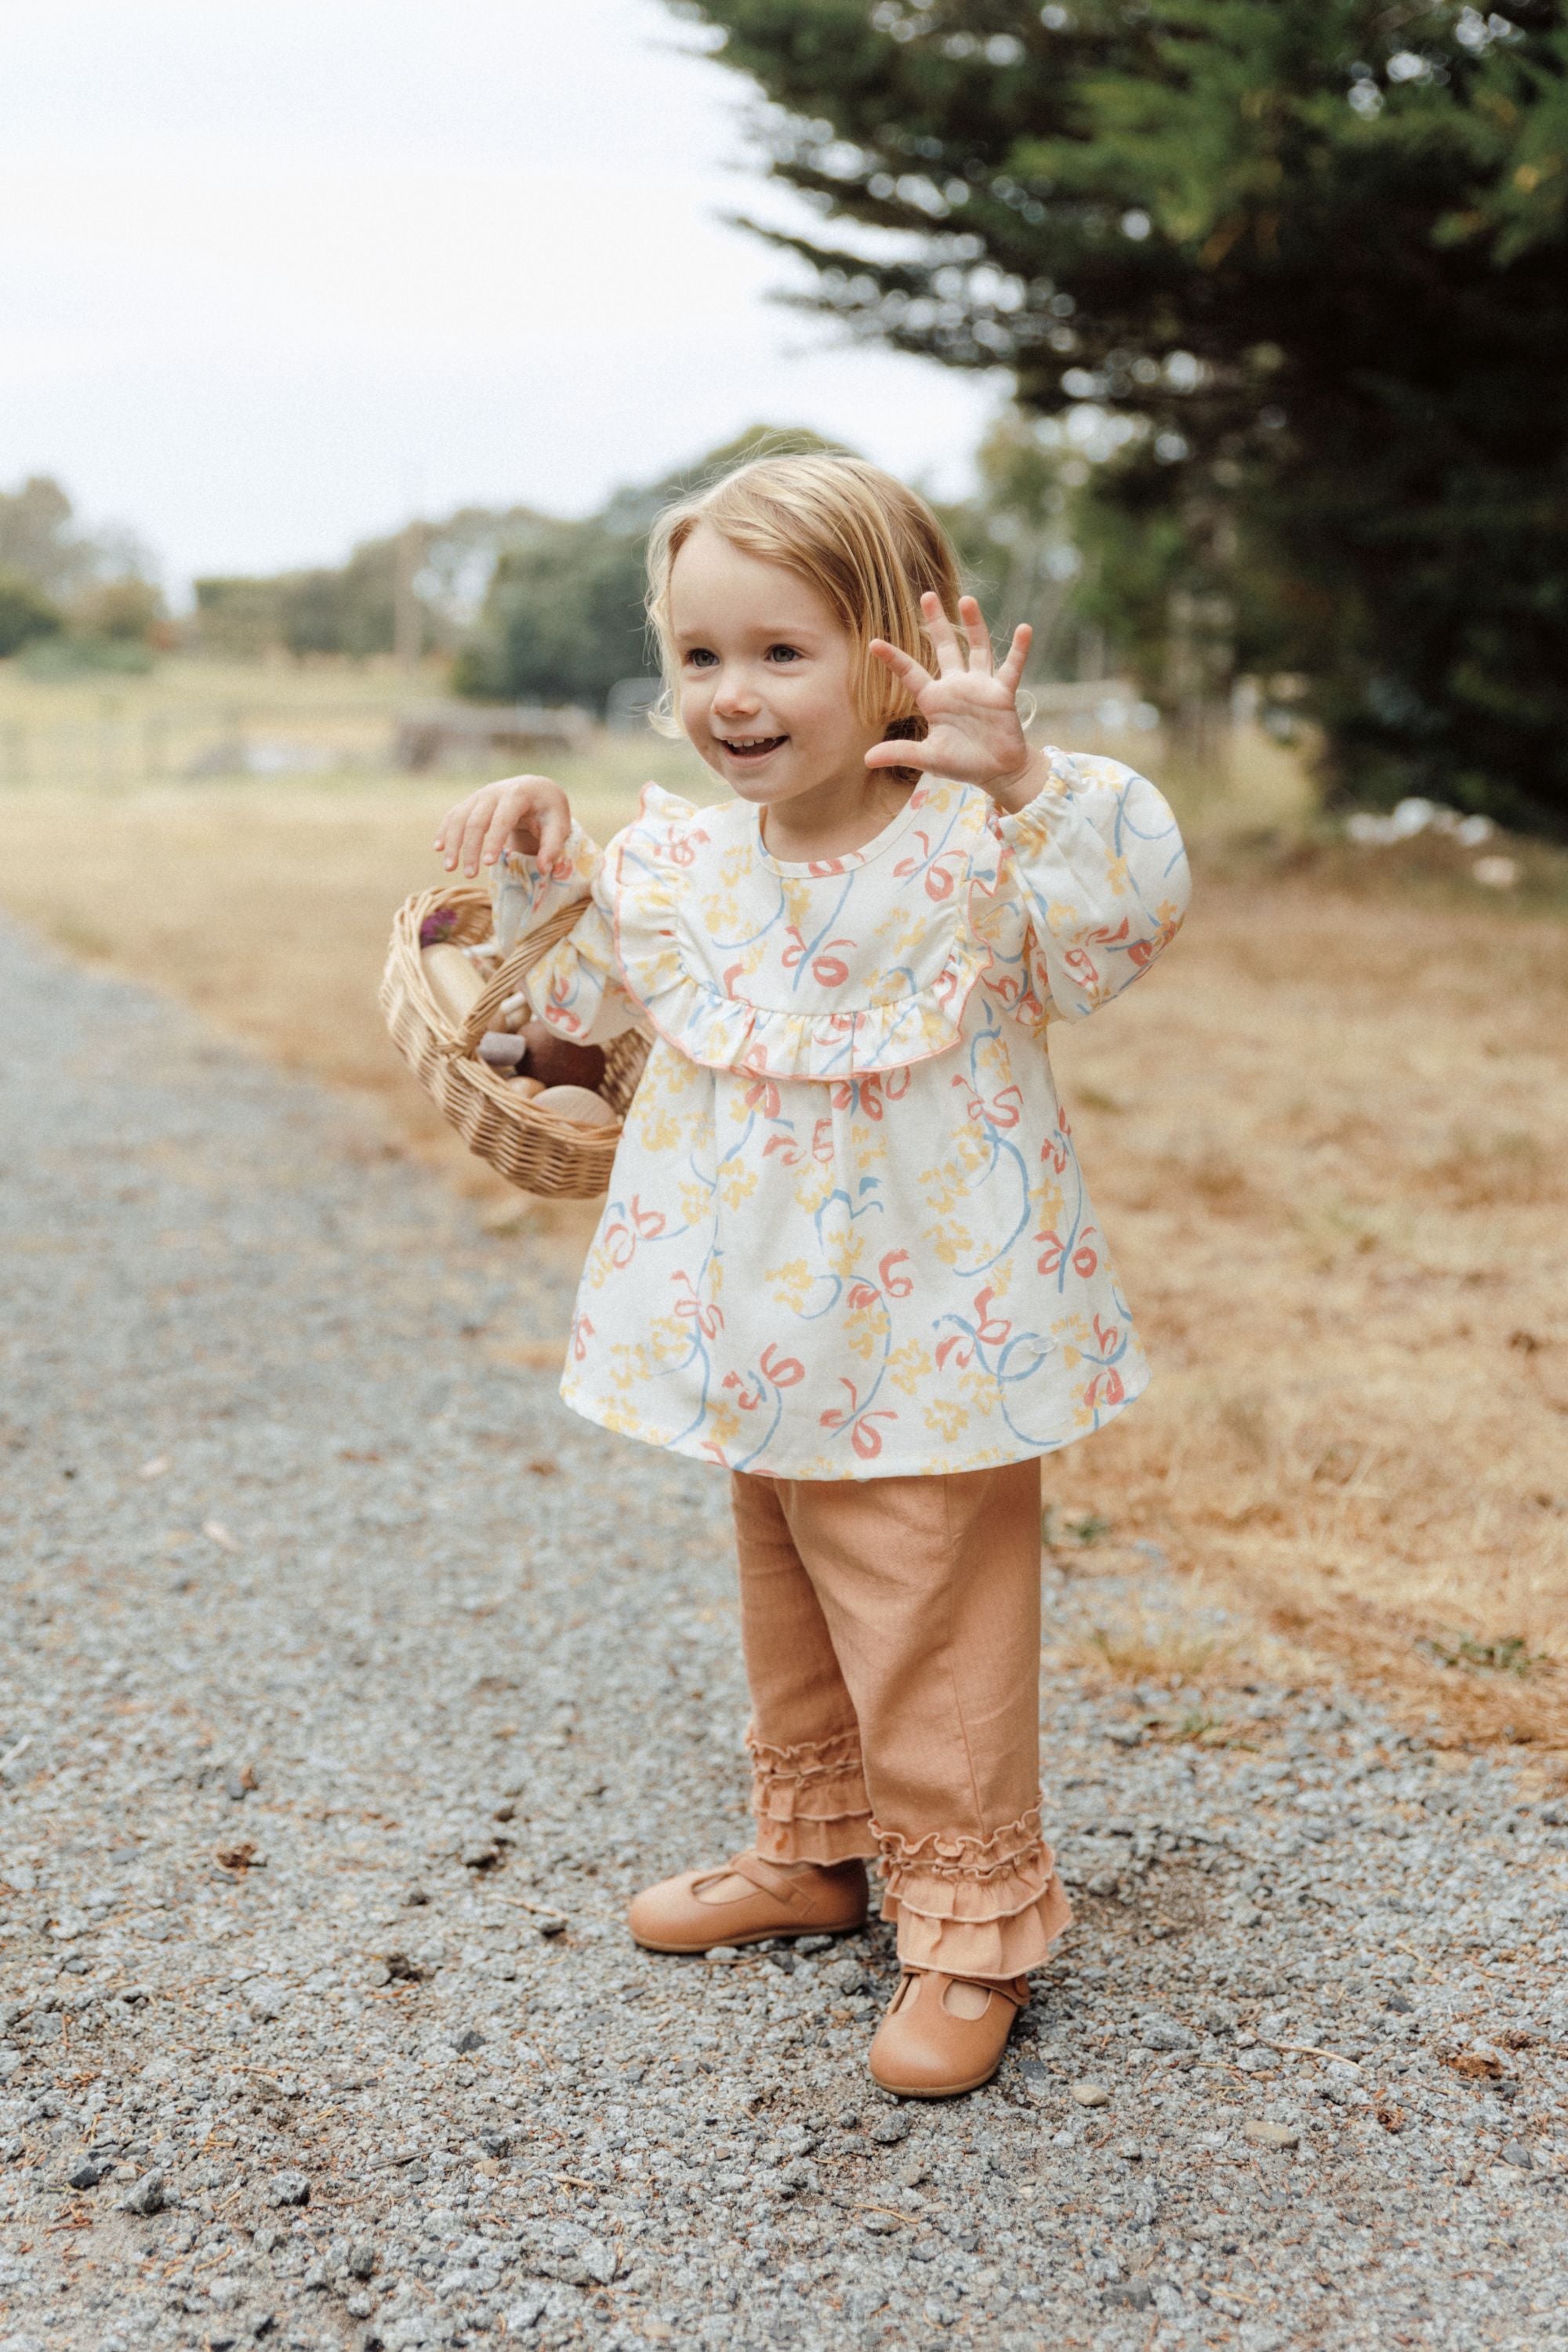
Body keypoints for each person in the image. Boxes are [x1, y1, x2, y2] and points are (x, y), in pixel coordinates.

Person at [434, 454, 1190, 2098]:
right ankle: (820, 1844)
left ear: (893, 656)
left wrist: (1025, 779)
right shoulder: (687, 870)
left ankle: (972, 1926)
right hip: (757, 1329)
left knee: (929, 1614)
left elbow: (1121, 921)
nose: (731, 695)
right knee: (791, 1582)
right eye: (699, 657)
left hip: (934, 1332)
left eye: (780, 652)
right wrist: (527, 887)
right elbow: (592, 1048)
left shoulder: (979, 860)